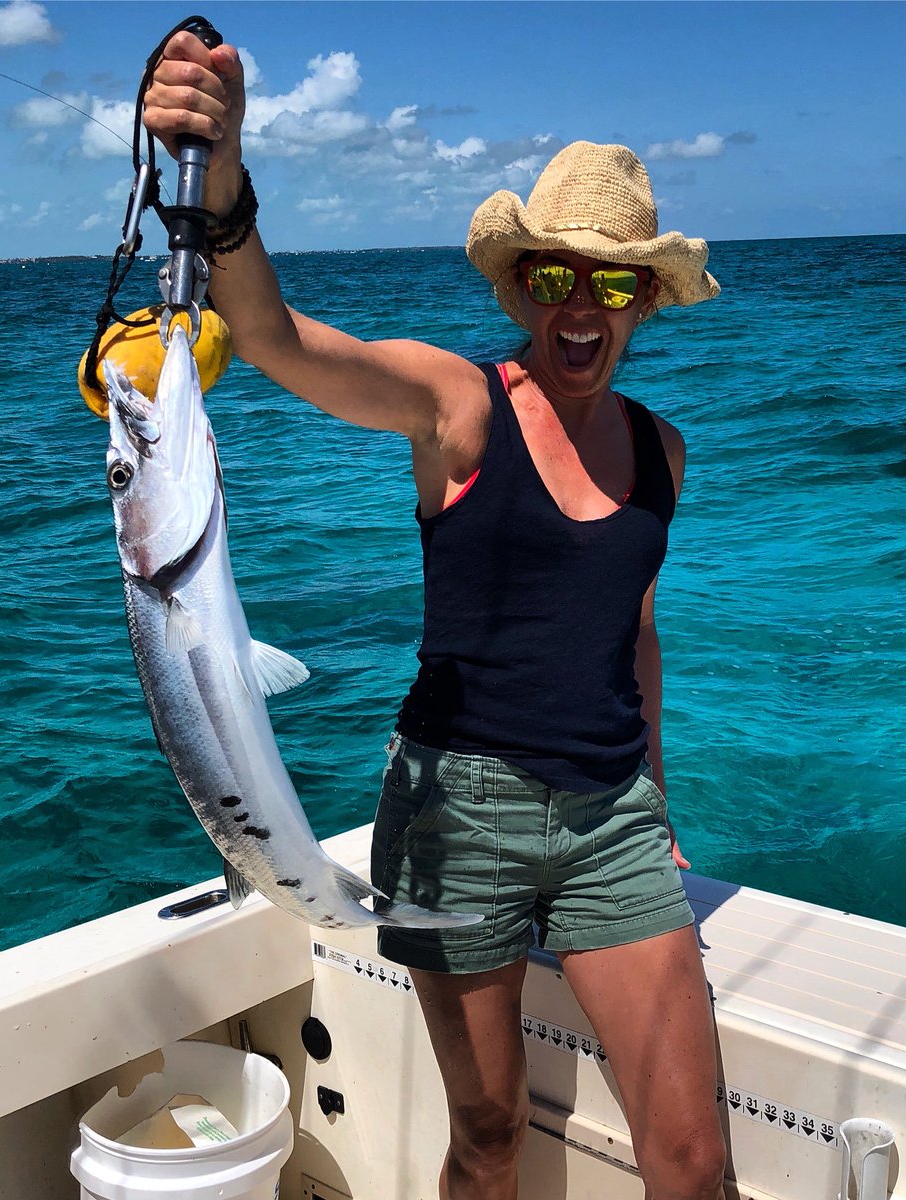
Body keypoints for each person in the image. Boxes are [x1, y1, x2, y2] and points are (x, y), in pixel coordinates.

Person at [144, 31, 726, 1200]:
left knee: (695, 1162)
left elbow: (635, 635)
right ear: (519, 287)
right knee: (489, 1135)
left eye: (612, 282)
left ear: (646, 301)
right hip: (459, 808)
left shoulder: (661, 452)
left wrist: (655, 798)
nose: (579, 306)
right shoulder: (459, 406)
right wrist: (225, 167)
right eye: (552, 276)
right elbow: (275, 339)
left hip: (614, 817)